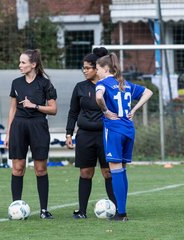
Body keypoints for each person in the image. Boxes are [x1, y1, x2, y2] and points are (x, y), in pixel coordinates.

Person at [95, 53, 153, 221]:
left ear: (105, 68)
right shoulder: (124, 83)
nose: (97, 72)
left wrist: (105, 111)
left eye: (98, 68)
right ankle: (122, 210)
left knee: (115, 170)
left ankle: (121, 213)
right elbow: (148, 92)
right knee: (122, 170)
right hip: (129, 130)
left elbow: (99, 96)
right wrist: (134, 110)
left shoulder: (102, 83)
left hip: (114, 130)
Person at [4, 49, 57, 219]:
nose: (20, 65)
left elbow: (53, 109)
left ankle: (43, 210)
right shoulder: (16, 83)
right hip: (19, 126)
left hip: (38, 126)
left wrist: (34, 106)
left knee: (40, 169)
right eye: (20, 62)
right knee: (17, 168)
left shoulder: (45, 83)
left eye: (23, 62)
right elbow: (12, 109)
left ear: (33, 64)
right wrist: (8, 133)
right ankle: (16, 209)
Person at [65, 47, 117, 219]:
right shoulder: (80, 87)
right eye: (83, 68)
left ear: (97, 68)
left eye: (87, 68)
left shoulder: (109, 86)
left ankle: (117, 210)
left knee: (108, 172)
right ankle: (82, 211)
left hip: (106, 135)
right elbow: (73, 112)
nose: (84, 71)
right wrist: (68, 133)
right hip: (85, 136)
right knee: (85, 172)